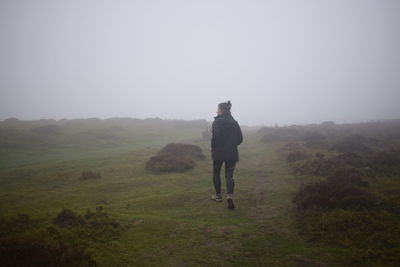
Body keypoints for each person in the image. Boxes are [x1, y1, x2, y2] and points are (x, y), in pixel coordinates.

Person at [211, 100, 243, 209]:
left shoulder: (218, 121)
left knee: (216, 172)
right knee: (229, 176)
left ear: (222, 110)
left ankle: (218, 196)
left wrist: (214, 147)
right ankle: (229, 196)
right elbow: (240, 139)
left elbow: (215, 137)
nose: (216, 111)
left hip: (218, 152)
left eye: (218, 109)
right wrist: (232, 145)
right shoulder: (234, 123)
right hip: (232, 152)